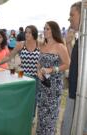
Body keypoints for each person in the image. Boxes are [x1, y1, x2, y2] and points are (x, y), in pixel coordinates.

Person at [36, 21, 70, 135]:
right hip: (43, 85)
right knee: (41, 114)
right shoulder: (43, 46)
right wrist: (38, 71)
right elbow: (39, 63)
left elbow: (67, 64)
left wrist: (52, 69)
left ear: (54, 31)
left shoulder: (60, 46)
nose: (45, 31)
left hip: (54, 87)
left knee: (51, 115)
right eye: (44, 28)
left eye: (48, 29)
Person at [61, 1, 81, 135]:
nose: (69, 19)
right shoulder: (81, 40)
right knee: (66, 127)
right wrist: (68, 44)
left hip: (80, 96)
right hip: (74, 93)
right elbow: (76, 63)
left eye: (72, 15)